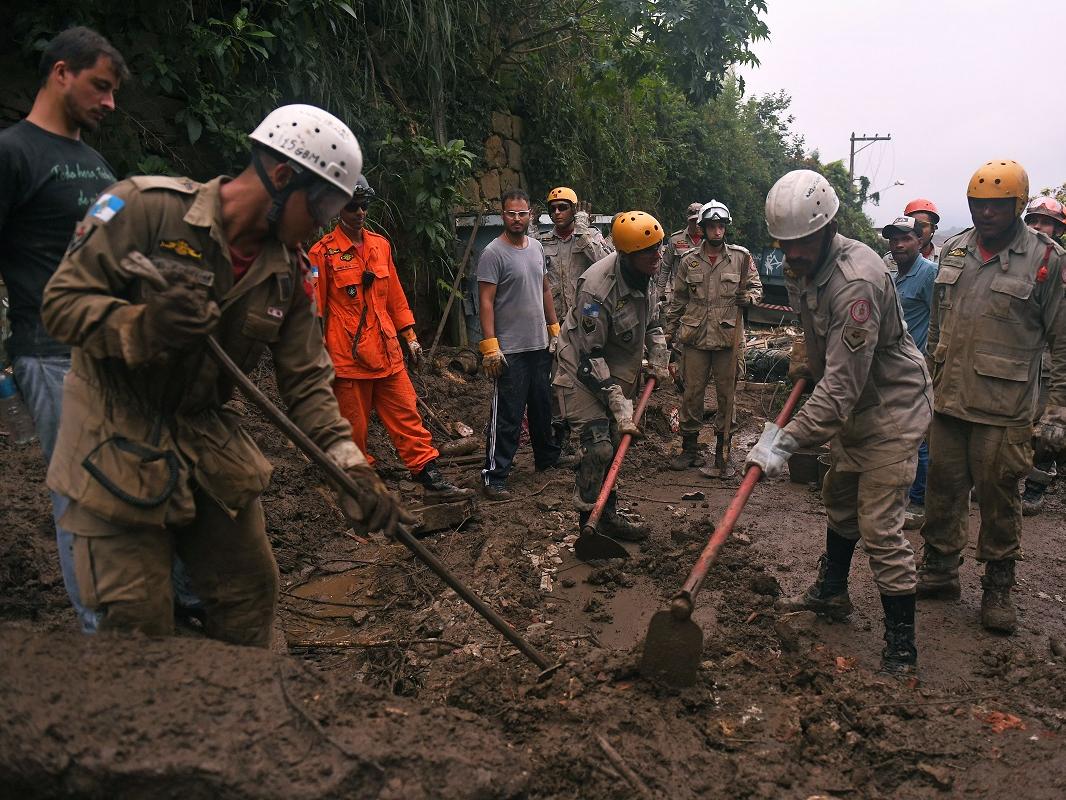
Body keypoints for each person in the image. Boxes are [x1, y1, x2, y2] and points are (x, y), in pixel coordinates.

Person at [41, 104, 413, 645]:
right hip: (114, 432)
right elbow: (60, 304)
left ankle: (249, 714)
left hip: (204, 434)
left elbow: (308, 382)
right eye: (324, 202)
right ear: (282, 177)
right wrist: (142, 325)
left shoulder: (288, 272)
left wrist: (351, 469)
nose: (328, 219)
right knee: (137, 618)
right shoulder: (145, 209)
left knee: (249, 592)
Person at [750, 169, 932, 675]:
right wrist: (804, 356)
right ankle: (832, 592)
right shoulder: (798, 265)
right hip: (852, 402)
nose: (790, 255)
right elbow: (812, 336)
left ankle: (902, 644)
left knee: (880, 525)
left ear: (828, 228)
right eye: (782, 244)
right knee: (839, 496)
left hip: (891, 407)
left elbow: (840, 389)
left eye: (801, 243)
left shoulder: (858, 281)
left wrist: (779, 445)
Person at [0, 27, 128, 631]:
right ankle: (100, 632)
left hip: (110, 351)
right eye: (100, 86)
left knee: (127, 485)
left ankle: (138, 616)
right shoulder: (14, 153)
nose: (109, 103)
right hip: (49, 352)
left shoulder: (96, 164)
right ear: (60, 73)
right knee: (80, 497)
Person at [917, 161, 1066, 634]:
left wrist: (1057, 410)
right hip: (949, 400)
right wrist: (925, 381)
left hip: (1006, 410)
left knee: (1001, 498)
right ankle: (940, 571)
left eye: (997, 206)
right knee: (942, 489)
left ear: (1018, 207)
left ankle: (998, 586)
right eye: (978, 204)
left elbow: (1062, 342)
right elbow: (939, 324)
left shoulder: (1046, 259)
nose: (986, 213)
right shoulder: (955, 250)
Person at [309, 178, 472, 504]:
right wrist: (315, 358)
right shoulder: (322, 253)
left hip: (386, 351)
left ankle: (427, 472)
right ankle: (359, 486)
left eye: (364, 205)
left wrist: (409, 336)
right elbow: (313, 311)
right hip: (348, 357)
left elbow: (395, 297)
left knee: (407, 413)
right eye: (351, 206)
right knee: (352, 427)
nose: (359, 212)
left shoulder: (379, 246)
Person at [553, 211, 670, 541]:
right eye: (650, 252)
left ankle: (608, 516)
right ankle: (587, 521)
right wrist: (618, 403)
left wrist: (659, 358)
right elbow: (591, 356)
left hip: (616, 369)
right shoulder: (596, 291)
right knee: (600, 448)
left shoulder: (646, 276)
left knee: (617, 445)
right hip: (580, 370)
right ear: (628, 256)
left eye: (659, 248)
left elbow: (654, 324)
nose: (658, 256)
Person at [663, 200, 762, 475]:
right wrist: (669, 332)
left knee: (726, 397)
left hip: (728, 339)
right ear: (703, 228)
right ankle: (690, 450)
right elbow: (679, 299)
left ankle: (723, 452)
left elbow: (757, 288)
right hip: (694, 338)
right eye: (711, 226)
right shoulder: (689, 260)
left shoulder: (741, 258)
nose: (717, 231)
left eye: (721, 226)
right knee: (691, 394)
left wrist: (749, 298)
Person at [477, 188, 563, 500]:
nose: (517, 219)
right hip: (509, 350)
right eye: (511, 213)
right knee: (508, 415)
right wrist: (490, 345)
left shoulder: (538, 248)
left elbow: (545, 289)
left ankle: (547, 458)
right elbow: (485, 301)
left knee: (542, 408)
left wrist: (554, 328)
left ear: (531, 215)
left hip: (538, 344)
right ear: (503, 215)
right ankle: (494, 476)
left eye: (522, 213)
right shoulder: (492, 253)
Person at [537, 186, 613, 453]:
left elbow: (606, 263)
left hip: (588, 322)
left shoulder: (590, 237)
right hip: (556, 323)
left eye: (563, 207)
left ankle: (596, 430)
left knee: (592, 372)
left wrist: (582, 230)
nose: (557, 213)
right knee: (557, 378)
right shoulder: (541, 242)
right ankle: (560, 431)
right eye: (553, 208)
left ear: (574, 209)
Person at [879, 217, 938, 530]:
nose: (898, 245)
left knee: (918, 437)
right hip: (888, 367)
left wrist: (931, 363)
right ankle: (897, 493)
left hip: (916, 369)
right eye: (893, 239)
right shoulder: (888, 272)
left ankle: (918, 501)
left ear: (919, 241)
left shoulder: (929, 274)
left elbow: (940, 320)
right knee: (892, 432)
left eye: (905, 239)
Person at [1019, 197, 1066, 515]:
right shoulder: (1018, 259)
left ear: (1059, 228)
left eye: (1045, 222)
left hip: (1054, 356)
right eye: (1033, 221)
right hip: (1022, 353)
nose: (1038, 227)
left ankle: (1035, 487)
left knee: (1047, 427)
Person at [654, 202, 704, 309]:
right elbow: (665, 267)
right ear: (688, 220)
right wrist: (661, 292)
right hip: (678, 292)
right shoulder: (676, 239)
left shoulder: (709, 241)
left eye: (698, 220)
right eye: (693, 221)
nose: (696, 224)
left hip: (702, 293)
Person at [885, 199, 941, 270]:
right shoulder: (889, 259)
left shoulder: (944, 257)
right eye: (911, 226)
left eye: (922, 225)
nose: (917, 230)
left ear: (933, 229)